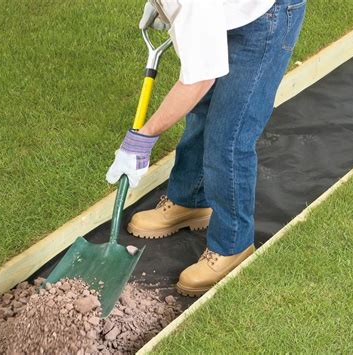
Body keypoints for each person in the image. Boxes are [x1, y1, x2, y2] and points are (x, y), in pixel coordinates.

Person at [107, 0, 306, 296]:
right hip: (226, 8)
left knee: (229, 135)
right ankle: (191, 200)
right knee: (201, 112)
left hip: (268, 16)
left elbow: (199, 78)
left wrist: (144, 139)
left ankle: (233, 245)